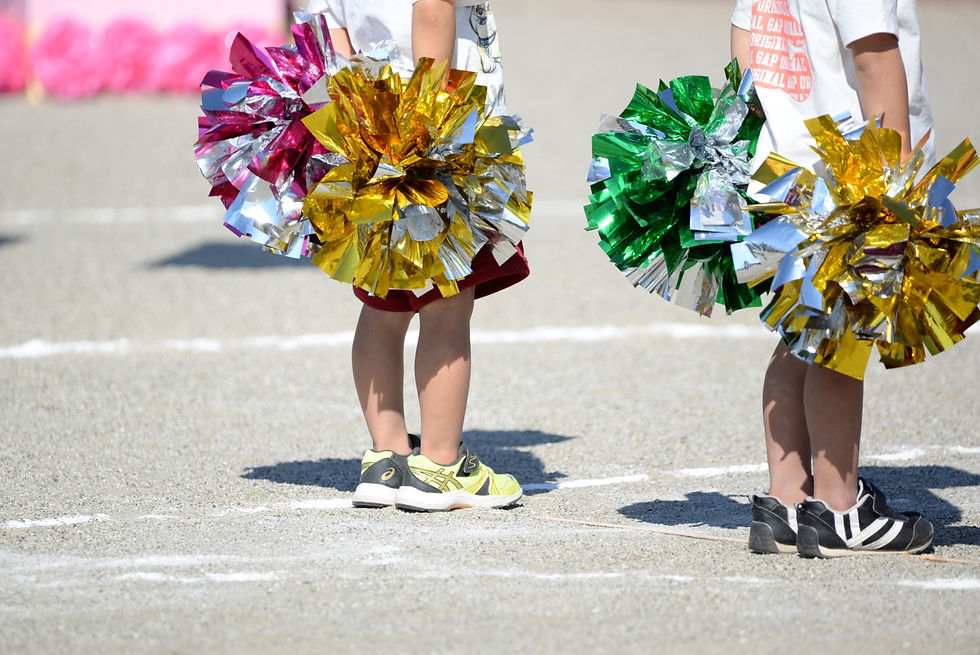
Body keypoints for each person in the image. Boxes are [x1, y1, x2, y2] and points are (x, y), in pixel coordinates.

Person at [731, 0, 935, 556]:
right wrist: (895, 186)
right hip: (849, 177)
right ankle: (839, 507)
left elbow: (745, 40)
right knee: (838, 347)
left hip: (782, 170)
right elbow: (874, 56)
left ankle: (785, 500)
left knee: (798, 336)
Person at [319, 0, 526, 511]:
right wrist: (429, 124)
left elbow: (331, 30)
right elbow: (433, 9)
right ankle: (439, 465)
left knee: (382, 305)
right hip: (437, 135)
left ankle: (386, 458)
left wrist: (359, 120)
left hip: (370, 131)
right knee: (446, 305)